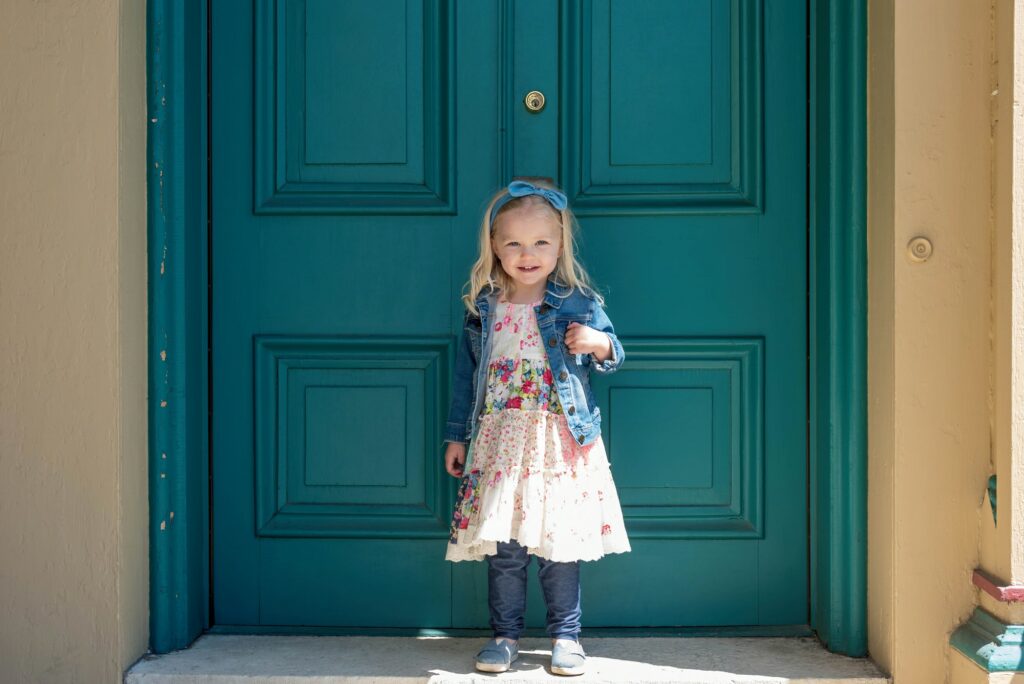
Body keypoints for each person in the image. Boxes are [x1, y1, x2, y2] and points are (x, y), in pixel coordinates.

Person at [442, 178, 631, 676]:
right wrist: (456, 435)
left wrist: (596, 342)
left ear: (560, 245)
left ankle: (566, 638)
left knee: (557, 547)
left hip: (558, 444)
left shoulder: (579, 303)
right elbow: (467, 377)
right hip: (501, 444)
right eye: (514, 243)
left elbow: (616, 353)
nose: (528, 254)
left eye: (541, 242)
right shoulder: (484, 307)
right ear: (495, 247)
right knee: (505, 551)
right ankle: (504, 635)